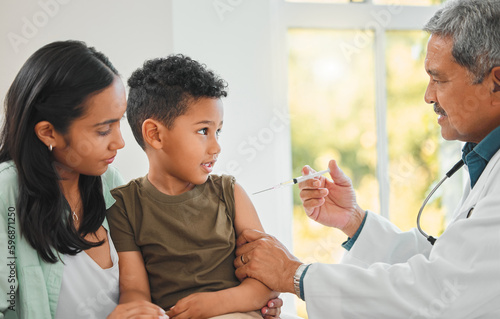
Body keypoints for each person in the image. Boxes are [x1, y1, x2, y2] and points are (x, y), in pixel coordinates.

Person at [233, 0, 500, 317]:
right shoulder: (485, 163)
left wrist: (295, 275)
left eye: (439, 79)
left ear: (496, 82)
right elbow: (445, 265)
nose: (429, 96)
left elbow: (439, 293)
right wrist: (354, 222)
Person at [106, 55, 283, 319]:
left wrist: (215, 304)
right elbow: (134, 290)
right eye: (203, 131)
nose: (216, 147)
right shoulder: (124, 205)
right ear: (155, 134)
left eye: (218, 131)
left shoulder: (229, 192)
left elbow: (267, 280)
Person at [0, 40, 166, 319]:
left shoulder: (109, 182)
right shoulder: (7, 194)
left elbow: (137, 282)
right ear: (48, 133)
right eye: (103, 130)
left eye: (118, 122)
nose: (120, 142)